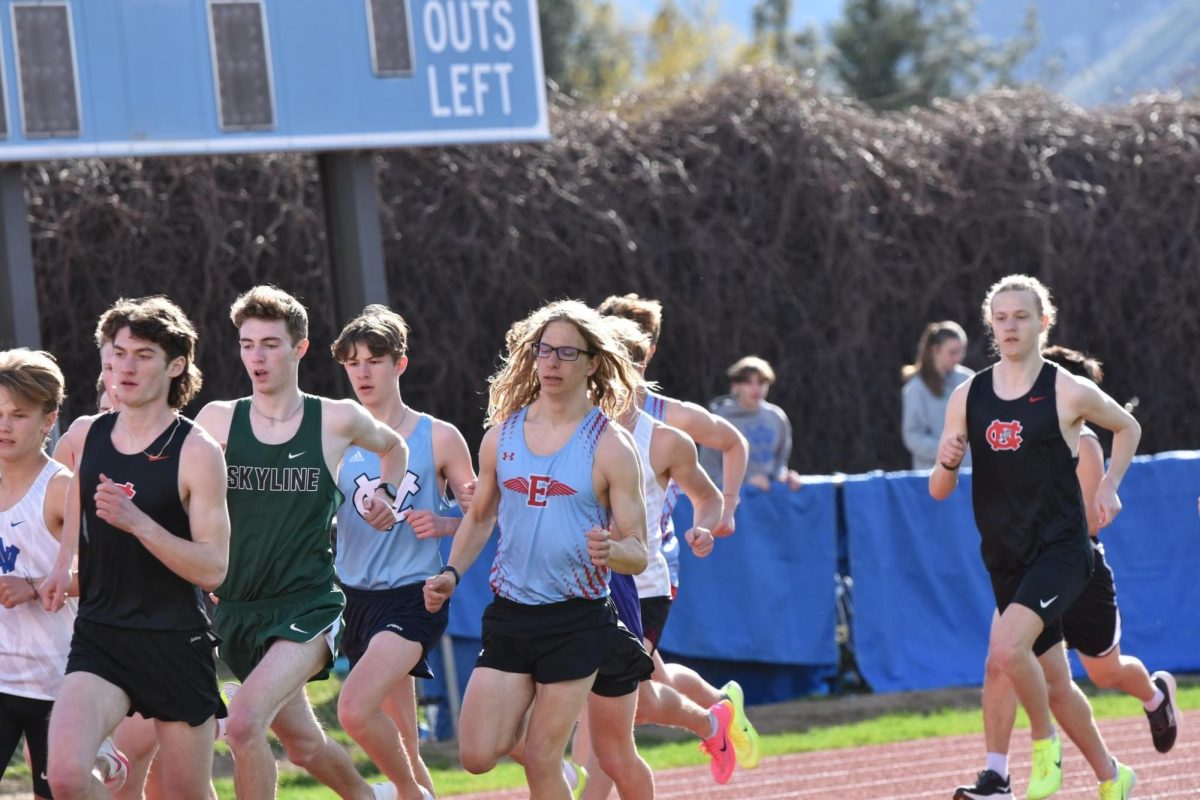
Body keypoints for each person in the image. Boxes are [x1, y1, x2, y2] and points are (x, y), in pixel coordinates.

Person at [423, 299, 656, 799]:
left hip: (577, 618)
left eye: (566, 354)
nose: (550, 363)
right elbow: (480, 517)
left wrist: (612, 551)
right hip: (511, 614)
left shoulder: (611, 445)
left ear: (593, 363)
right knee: (477, 754)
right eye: (542, 350)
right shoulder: (501, 436)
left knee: (542, 756)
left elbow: (639, 551)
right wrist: (452, 573)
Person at [930, 274, 1140, 800]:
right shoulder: (969, 393)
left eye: (1021, 316)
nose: (1009, 326)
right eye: (1000, 318)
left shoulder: (1066, 389)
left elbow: (1127, 427)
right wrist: (948, 464)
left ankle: (1042, 750)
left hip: (1062, 550)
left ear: (1044, 322)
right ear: (989, 324)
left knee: (1004, 649)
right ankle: (1115, 778)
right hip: (1006, 555)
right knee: (1054, 683)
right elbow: (938, 489)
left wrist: (1110, 485)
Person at [195, 285, 408, 800]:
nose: (257, 356)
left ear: (300, 348)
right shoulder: (216, 421)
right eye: (247, 344)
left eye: (270, 343)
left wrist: (387, 496)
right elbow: (185, 499)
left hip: (307, 605)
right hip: (237, 607)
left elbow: (394, 447)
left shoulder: (336, 419)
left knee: (243, 722)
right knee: (304, 745)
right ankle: (368, 796)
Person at [954, 345, 1178, 800]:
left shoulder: (1086, 444)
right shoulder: (1013, 431)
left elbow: (1092, 522)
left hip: (1076, 568)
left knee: (1105, 672)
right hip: (1025, 567)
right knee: (1005, 660)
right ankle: (999, 775)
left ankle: (1154, 696)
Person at [39, 296, 230, 800]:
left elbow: (213, 568)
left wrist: (139, 524)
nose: (125, 365)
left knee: (187, 793)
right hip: (101, 634)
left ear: (176, 365)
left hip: (174, 640)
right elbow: (79, 498)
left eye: (143, 355)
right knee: (65, 777)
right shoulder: (86, 433)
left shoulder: (198, 451)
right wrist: (62, 564)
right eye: (119, 352)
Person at [570, 316, 736, 797]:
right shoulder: (567, 430)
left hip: (640, 589)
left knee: (608, 711)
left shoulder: (664, 439)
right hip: (578, 585)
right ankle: (711, 722)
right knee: (631, 703)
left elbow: (707, 496)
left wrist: (703, 527)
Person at [595, 293, 758, 770]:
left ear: (644, 357)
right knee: (645, 686)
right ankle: (717, 709)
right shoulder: (577, 417)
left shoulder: (669, 419)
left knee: (617, 701)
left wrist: (724, 509)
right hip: (594, 570)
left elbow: (733, 441)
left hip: (650, 562)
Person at [331, 305, 477, 800]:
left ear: (400, 364)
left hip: (415, 596)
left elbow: (488, 515)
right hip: (355, 600)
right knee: (407, 752)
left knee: (353, 710)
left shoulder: (438, 435)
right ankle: (415, 791)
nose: (363, 372)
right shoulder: (336, 435)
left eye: (374, 360)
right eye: (352, 363)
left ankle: (407, 795)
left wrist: (444, 522)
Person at [705, 356, 802, 492]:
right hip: (735, 504)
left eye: (762, 382)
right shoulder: (719, 419)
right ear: (735, 386)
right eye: (748, 382)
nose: (756, 388)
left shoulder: (777, 417)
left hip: (768, 501)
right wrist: (746, 482)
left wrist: (784, 476)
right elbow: (709, 472)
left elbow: (780, 462)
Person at [901, 321, 973, 470]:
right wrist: (947, 451)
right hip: (932, 473)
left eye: (962, 351)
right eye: (952, 352)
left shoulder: (967, 379)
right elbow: (913, 436)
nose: (958, 357)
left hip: (968, 473)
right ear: (935, 350)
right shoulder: (916, 389)